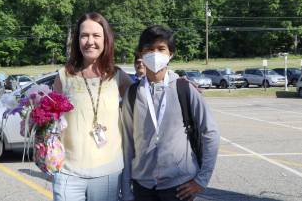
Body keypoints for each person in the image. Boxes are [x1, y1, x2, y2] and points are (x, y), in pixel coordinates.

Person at [121, 25, 220, 201]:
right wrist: (126, 189)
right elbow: (127, 143)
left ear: (171, 53)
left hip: (179, 185)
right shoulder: (132, 94)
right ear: (141, 54)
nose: (155, 54)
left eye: (161, 49)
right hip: (142, 186)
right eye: (149, 49)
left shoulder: (185, 89)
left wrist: (201, 180)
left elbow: (210, 132)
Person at [52, 12, 132, 201]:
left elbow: (145, 97)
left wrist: (177, 81)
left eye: (96, 35)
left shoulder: (117, 76)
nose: (90, 41)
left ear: (106, 40)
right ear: (77, 40)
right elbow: (52, 120)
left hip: (108, 172)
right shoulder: (63, 76)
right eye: (84, 35)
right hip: (67, 172)